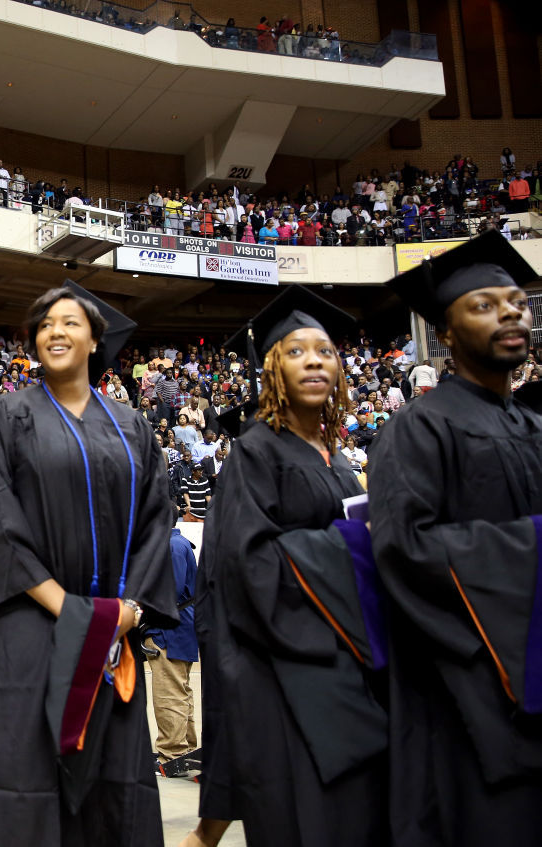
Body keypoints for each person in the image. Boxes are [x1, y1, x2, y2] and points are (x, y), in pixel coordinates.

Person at [0, 281, 175, 846]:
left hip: (111, 633)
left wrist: (125, 612)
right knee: (24, 779)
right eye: (46, 323)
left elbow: (156, 520)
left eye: (71, 321)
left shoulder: (132, 425)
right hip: (29, 627)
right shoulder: (7, 413)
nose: (56, 331)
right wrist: (66, 607)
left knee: (114, 783)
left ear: (96, 339)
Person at [190, 286, 387, 847]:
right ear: (273, 368)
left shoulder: (339, 459)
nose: (314, 362)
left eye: (324, 351)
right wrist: (355, 545)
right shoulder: (257, 452)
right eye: (297, 352)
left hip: (352, 665)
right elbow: (246, 562)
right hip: (289, 675)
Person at [370, 230, 542, 846]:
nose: (510, 314)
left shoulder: (534, 426)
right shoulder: (419, 429)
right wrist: (534, 548)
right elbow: (403, 548)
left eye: (518, 302)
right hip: (467, 690)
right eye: (485, 305)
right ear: (445, 333)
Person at [148, 511, 199, 776]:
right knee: (180, 690)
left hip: (169, 628)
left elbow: (172, 591)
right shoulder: (175, 544)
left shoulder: (170, 546)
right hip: (178, 625)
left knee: (168, 692)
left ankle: (172, 752)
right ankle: (184, 748)